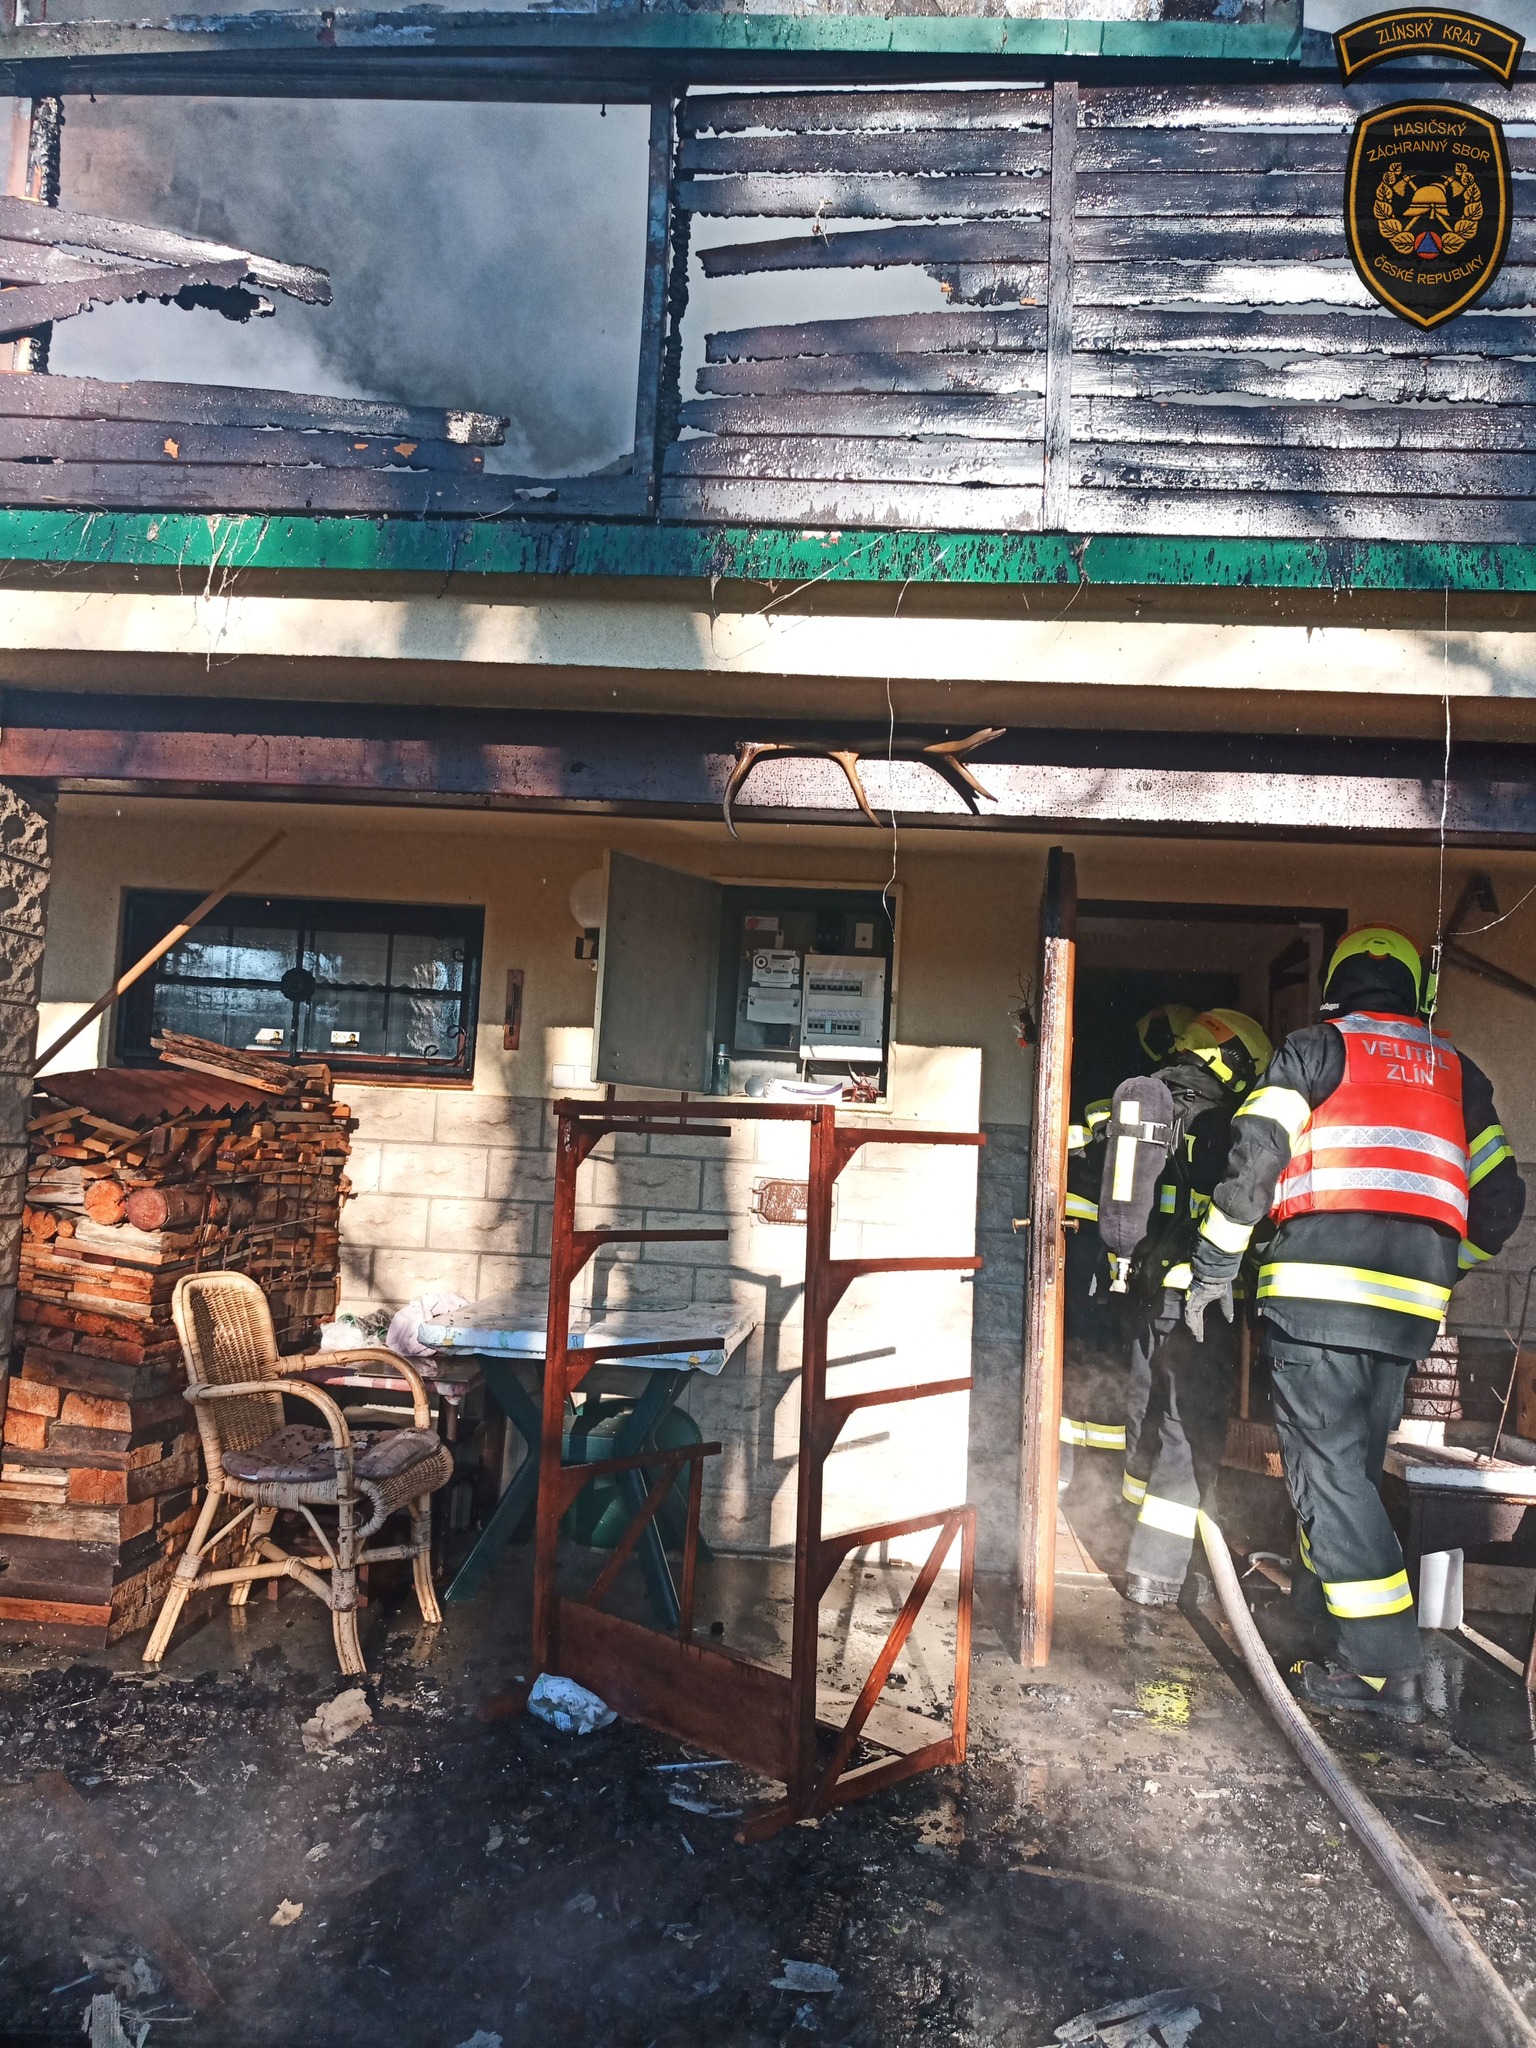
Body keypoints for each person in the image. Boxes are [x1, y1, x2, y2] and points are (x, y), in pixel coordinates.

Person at [1186, 926, 1526, 1723]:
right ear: (1416, 992)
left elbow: (1256, 1155)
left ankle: (1382, 1668)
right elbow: (1501, 1202)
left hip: (1317, 1303)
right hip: (1405, 1318)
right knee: (1350, 1479)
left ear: (1335, 986)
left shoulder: (1313, 1050)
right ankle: (1322, 1624)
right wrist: (1444, 1263)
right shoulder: (1459, 1073)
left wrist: (1212, 1264)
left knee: (1331, 1484)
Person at [1116, 1008, 1273, 1605]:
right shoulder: (1229, 1125)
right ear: (1231, 1061)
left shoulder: (1146, 1105)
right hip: (1202, 1298)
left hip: (1147, 1288)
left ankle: (1127, 1531)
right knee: (1191, 1427)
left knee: (1147, 1409)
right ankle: (1156, 1571)